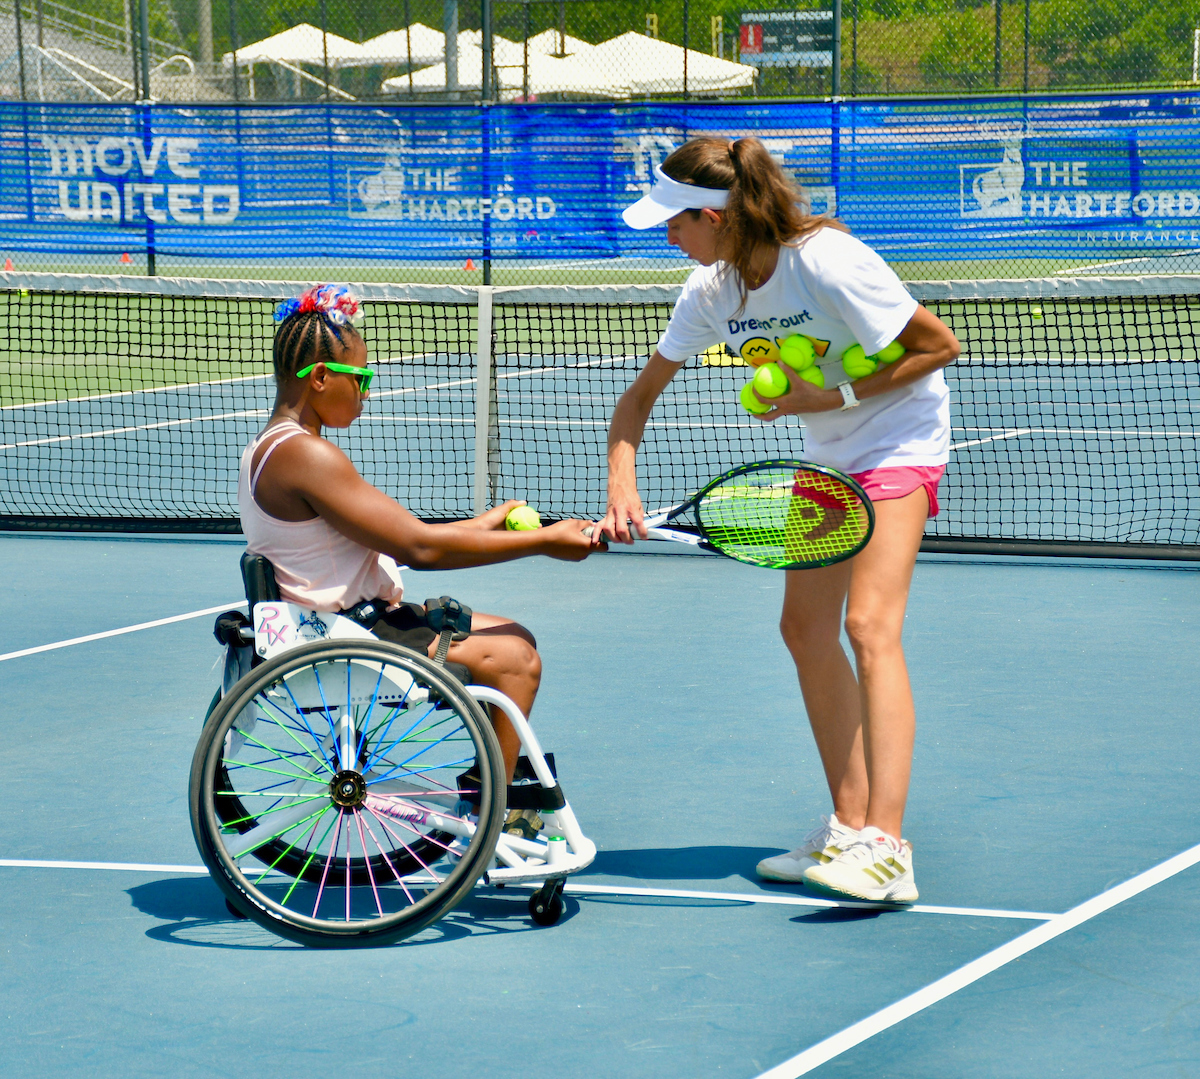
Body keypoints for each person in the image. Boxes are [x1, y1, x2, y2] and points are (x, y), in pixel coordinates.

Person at [597, 138, 960, 903]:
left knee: (869, 626)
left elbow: (937, 345)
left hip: (899, 439)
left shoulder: (827, 260)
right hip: (831, 455)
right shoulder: (709, 292)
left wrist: (828, 401)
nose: (669, 238)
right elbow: (636, 401)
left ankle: (888, 849)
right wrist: (619, 486)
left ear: (713, 217)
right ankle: (848, 825)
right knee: (804, 630)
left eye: (676, 223)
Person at [242, 284, 601, 839]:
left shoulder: (275, 446)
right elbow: (419, 550)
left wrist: (482, 524)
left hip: (337, 622)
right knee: (515, 662)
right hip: (345, 633)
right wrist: (546, 541)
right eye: (359, 380)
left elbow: (402, 536)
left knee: (516, 635)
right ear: (319, 379)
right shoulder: (306, 455)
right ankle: (497, 817)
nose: (366, 393)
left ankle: (490, 778)